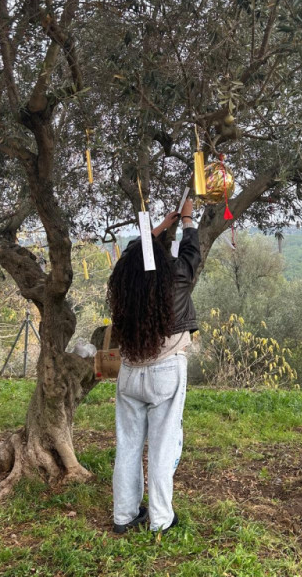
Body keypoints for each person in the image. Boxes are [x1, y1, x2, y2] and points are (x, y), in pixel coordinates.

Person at [107, 198, 200, 534]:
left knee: (128, 445)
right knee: (163, 446)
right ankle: (161, 519)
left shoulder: (127, 280)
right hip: (166, 372)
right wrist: (187, 219)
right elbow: (192, 253)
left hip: (130, 372)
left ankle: (124, 516)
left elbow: (135, 251)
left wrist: (160, 225)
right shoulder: (176, 277)